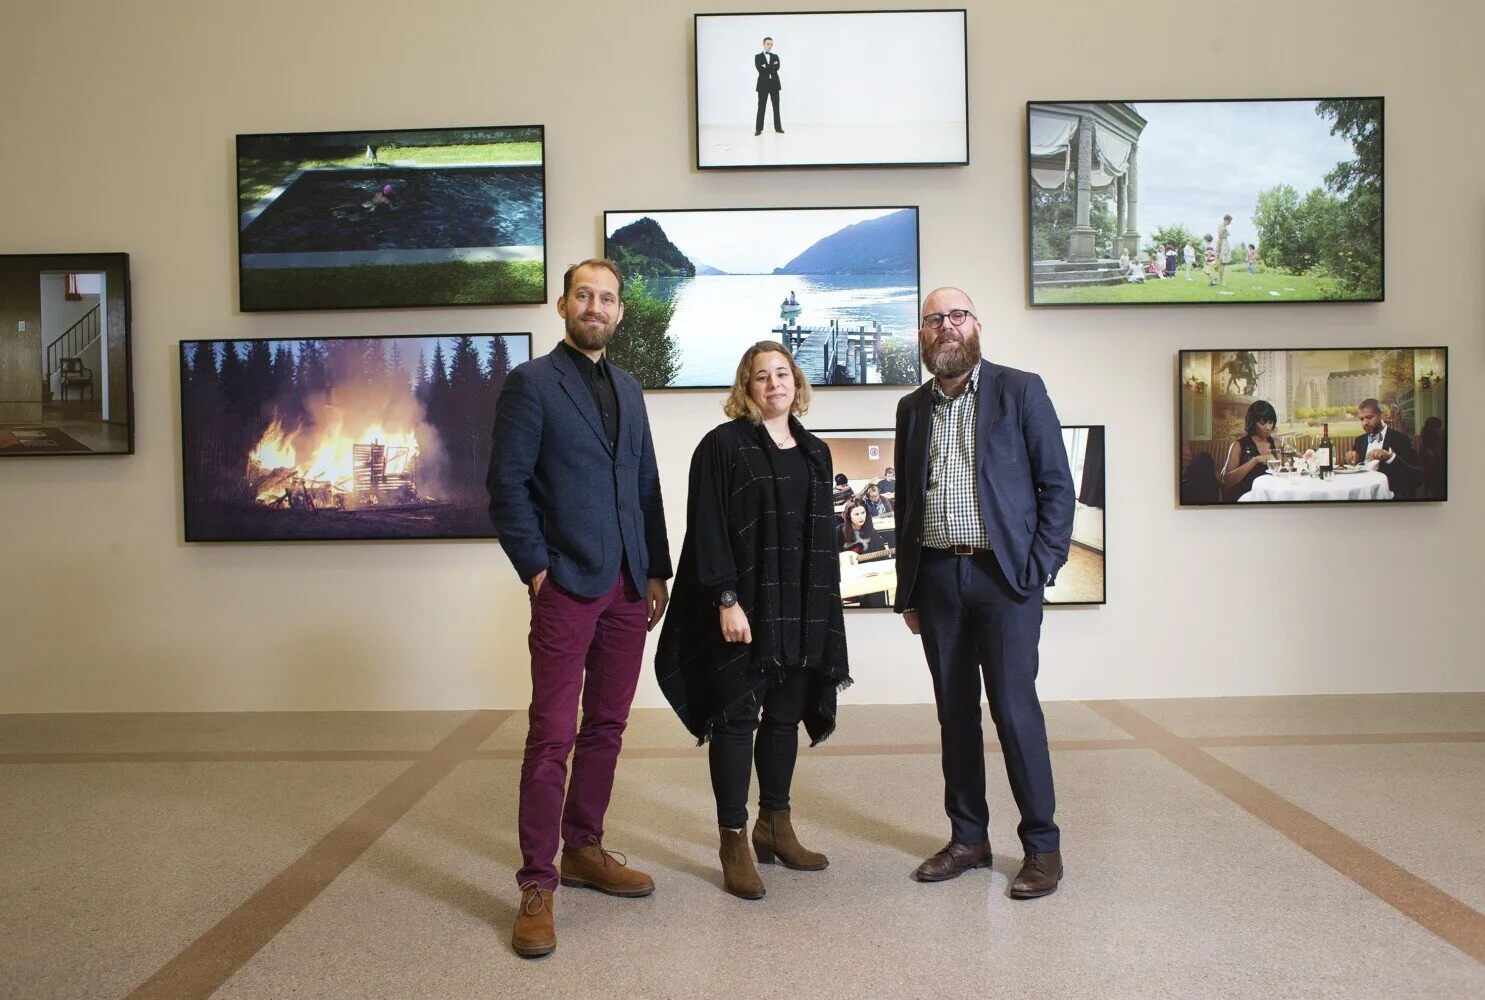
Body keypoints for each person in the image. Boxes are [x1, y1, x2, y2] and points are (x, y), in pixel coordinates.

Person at [486, 258, 673, 958]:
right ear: (564, 305)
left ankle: (585, 850)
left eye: (608, 299)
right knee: (550, 736)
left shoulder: (628, 387)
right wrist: (536, 570)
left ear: (620, 312)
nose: (596, 307)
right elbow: (505, 486)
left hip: (628, 587)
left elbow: (647, 484)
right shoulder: (530, 384)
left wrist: (656, 570)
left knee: (607, 728)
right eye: (584, 296)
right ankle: (537, 883)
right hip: (566, 584)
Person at [892, 287, 1074, 898]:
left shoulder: (1021, 389)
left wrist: (1039, 565)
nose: (946, 326)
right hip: (940, 579)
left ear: (976, 326)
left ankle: (1042, 848)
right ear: (922, 336)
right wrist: (910, 590)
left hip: (1005, 580)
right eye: (934, 319)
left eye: (957, 315)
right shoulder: (912, 408)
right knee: (955, 714)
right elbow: (909, 506)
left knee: (1015, 711)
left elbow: (1056, 486)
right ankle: (969, 838)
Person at [655, 341, 850, 900]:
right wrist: (725, 598)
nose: (773, 384)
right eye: (760, 376)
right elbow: (707, 526)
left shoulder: (815, 452)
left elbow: (821, 542)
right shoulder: (721, 446)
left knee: (785, 714)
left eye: (781, 374)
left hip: (802, 605)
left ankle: (776, 825)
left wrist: (825, 610)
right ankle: (734, 839)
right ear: (746, 386)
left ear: (797, 383)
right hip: (742, 605)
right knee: (738, 717)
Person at [1348, 397, 1422, 499]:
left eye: (1369, 417)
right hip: (1362, 495)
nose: (1365, 423)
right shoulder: (1359, 440)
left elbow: (1417, 477)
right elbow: (1355, 468)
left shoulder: (1401, 439)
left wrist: (1390, 457)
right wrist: (1350, 459)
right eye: (1361, 419)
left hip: (1389, 498)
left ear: (1382, 415)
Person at [1218, 400, 1279, 502]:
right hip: (1246, 499)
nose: (1268, 427)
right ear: (1252, 422)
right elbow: (1226, 481)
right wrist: (1255, 460)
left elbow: (1300, 457)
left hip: (1271, 497)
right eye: (1262, 423)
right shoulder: (1238, 445)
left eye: (1270, 422)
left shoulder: (1277, 443)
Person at [754, 36, 782, 136]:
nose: (770, 46)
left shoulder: (775, 56)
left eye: (771, 44)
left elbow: (777, 67)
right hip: (763, 85)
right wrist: (771, 67)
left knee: (776, 107)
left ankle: (778, 128)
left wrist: (766, 66)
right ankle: (758, 129)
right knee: (761, 107)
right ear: (763, 44)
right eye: (768, 44)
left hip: (774, 84)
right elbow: (760, 69)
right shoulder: (758, 56)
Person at [1418, 416, 1446, 499]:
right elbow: (1439, 454)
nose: (1440, 429)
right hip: (1434, 467)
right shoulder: (1435, 437)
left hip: (1428, 467)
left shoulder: (1425, 433)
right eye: (1439, 428)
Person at [1217, 215, 1233, 284]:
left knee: (1222, 264)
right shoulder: (1223, 228)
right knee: (1222, 263)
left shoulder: (1222, 226)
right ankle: (1220, 281)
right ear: (1226, 220)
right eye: (1229, 221)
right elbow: (1220, 238)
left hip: (1224, 244)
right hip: (1223, 245)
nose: (1230, 223)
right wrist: (1219, 248)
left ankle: (1220, 280)